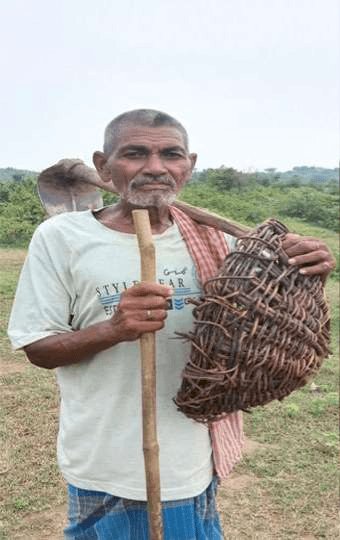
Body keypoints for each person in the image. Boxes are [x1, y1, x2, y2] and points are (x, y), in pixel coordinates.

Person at [8, 109, 335, 540]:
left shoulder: (229, 245)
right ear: (103, 165)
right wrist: (115, 328)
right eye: (135, 153)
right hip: (106, 462)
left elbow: (273, 320)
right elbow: (39, 348)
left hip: (193, 460)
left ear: (190, 165)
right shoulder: (63, 238)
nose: (155, 167)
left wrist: (308, 271)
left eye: (171, 155)